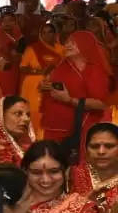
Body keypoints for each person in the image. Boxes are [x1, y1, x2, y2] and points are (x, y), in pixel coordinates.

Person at [40, 14, 110, 143]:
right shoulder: (61, 65)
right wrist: (44, 87)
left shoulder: (95, 71)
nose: (68, 46)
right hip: (55, 125)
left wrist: (69, 100)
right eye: (67, 42)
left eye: (73, 43)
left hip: (83, 125)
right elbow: (49, 86)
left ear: (85, 46)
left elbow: (101, 104)